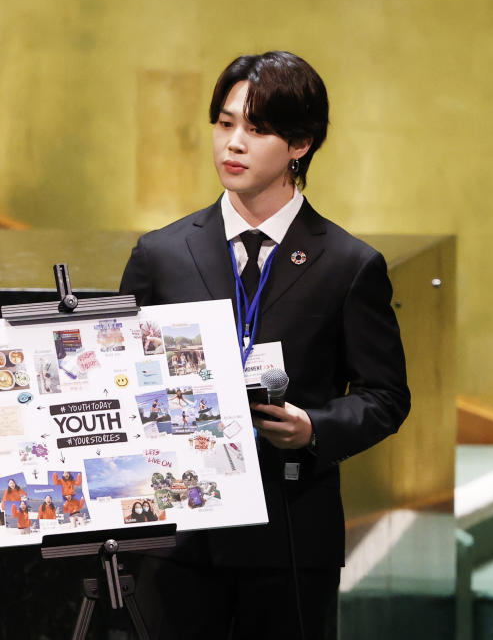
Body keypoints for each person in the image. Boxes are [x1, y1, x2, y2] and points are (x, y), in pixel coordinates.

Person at [120, 50, 410, 640]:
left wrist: (314, 428)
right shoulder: (161, 254)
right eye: (225, 124)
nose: (233, 144)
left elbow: (385, 397)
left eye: (257, 129)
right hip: (177, 537)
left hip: (290, 536)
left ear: (300, 144)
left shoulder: (350, 265)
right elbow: (121, 378)